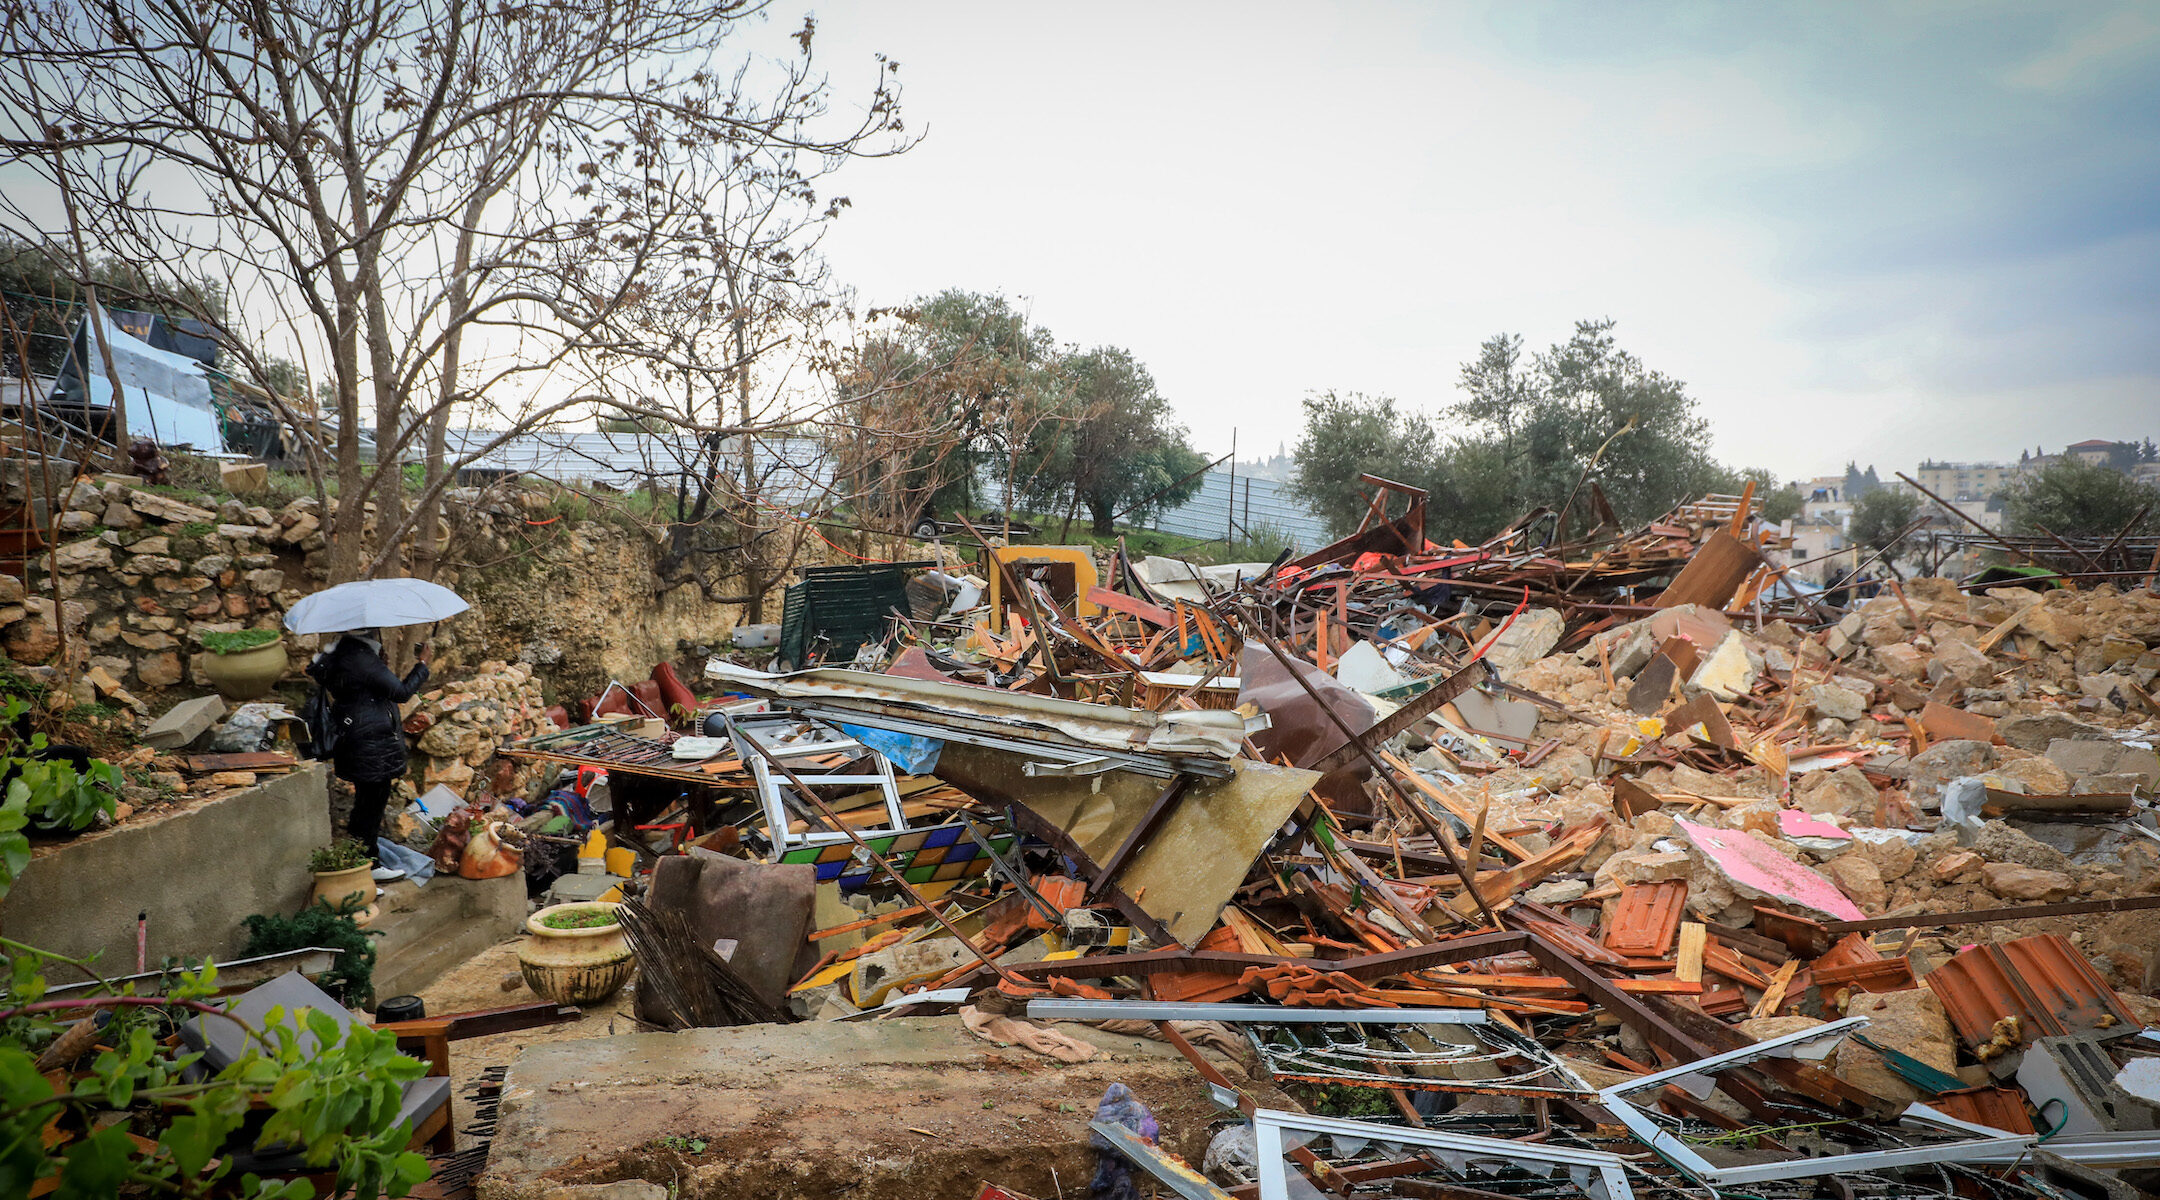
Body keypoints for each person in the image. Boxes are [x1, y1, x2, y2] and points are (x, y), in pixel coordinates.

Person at [306, 628, 430, 882]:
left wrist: (378, 665)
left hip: (357, 736)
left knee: (366, 803)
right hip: (370, 741)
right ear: (369, 634)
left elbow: (364, 688)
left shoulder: (343, 652)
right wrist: (423, 664)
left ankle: (361, 859)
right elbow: (402, 692)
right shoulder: (361, 658)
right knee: (371, 804)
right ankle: (369, 867)